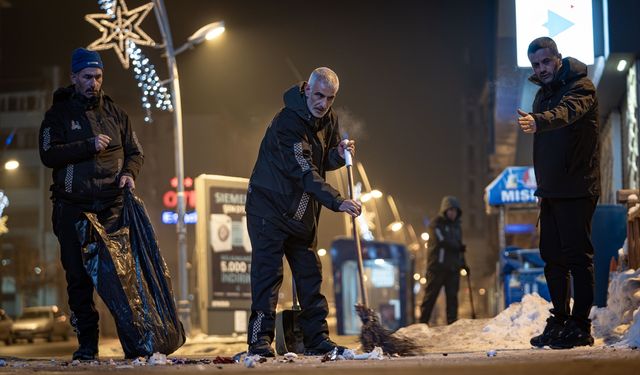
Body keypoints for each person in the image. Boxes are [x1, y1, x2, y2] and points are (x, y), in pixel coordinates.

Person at [245, 67, 361, 357]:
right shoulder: (287, 123)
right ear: (307, 90)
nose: (323, 103)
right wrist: (338, 201)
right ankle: (260, 341)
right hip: (268, 210)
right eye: (319, 95)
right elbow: (304, 170)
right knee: (267, 276)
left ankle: (317, 339)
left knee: (310, 274)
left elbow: (323, 160)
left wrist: (338, 152)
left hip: (300, 213)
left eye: (330, 98)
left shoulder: (327, 119)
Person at [39, 48, 143, 360]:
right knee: (78, 279)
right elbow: (48, 155)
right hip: (72, 207)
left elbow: (135, 152)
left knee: (120, 277)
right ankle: (87, 346)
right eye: (87, 77)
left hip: (110, 207)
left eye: (98, 76)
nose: (93, 83)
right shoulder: (57, 115)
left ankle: (134, 344)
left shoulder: (116, 114)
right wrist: (87, 145)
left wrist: (128, 174)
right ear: (74, 78)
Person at [517, 37, 600, 349]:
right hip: (551, 191)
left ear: (558, 59)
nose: (541, 69)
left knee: (578, 257)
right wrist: (542, 187)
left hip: (578, 187)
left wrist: (539, 120)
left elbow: (568, 112)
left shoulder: (582, 87)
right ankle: (561, 320)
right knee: (552, 259)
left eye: (546, 62)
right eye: (536, 65)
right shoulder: (542, 95)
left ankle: (581, 325)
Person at [419, 196, 466, 325]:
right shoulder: (436, 224)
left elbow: (460, 248)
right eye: (450, 210)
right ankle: (422, 322)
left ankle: (452, 322)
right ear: (445, 210)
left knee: (452, 297)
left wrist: (463, 264)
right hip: (437, 267)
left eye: (455, 211)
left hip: (453, 268)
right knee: (431, 296)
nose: (453, 213)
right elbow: (442, 241)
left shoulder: (457, 227)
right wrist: (458, 247)